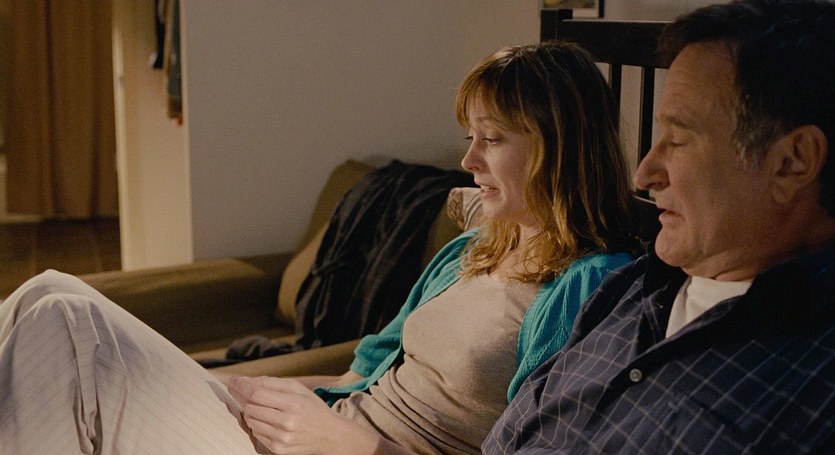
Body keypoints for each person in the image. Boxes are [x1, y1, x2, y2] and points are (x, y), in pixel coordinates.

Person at [0, 41, 637, 455]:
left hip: (345, 449)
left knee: (66, 321)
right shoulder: (471, 250)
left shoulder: (592, 286)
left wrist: (352, 445)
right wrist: (233, 387)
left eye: (491, 139)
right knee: (50, 292)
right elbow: (360, 375)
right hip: (317, 432)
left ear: (558, 147)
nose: (469, 160)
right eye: (469, 137)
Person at [482, 0, 835, 453]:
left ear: (792, 162)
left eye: (678, 140)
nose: (643, 175)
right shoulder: (631, 286)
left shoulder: (812, 385)